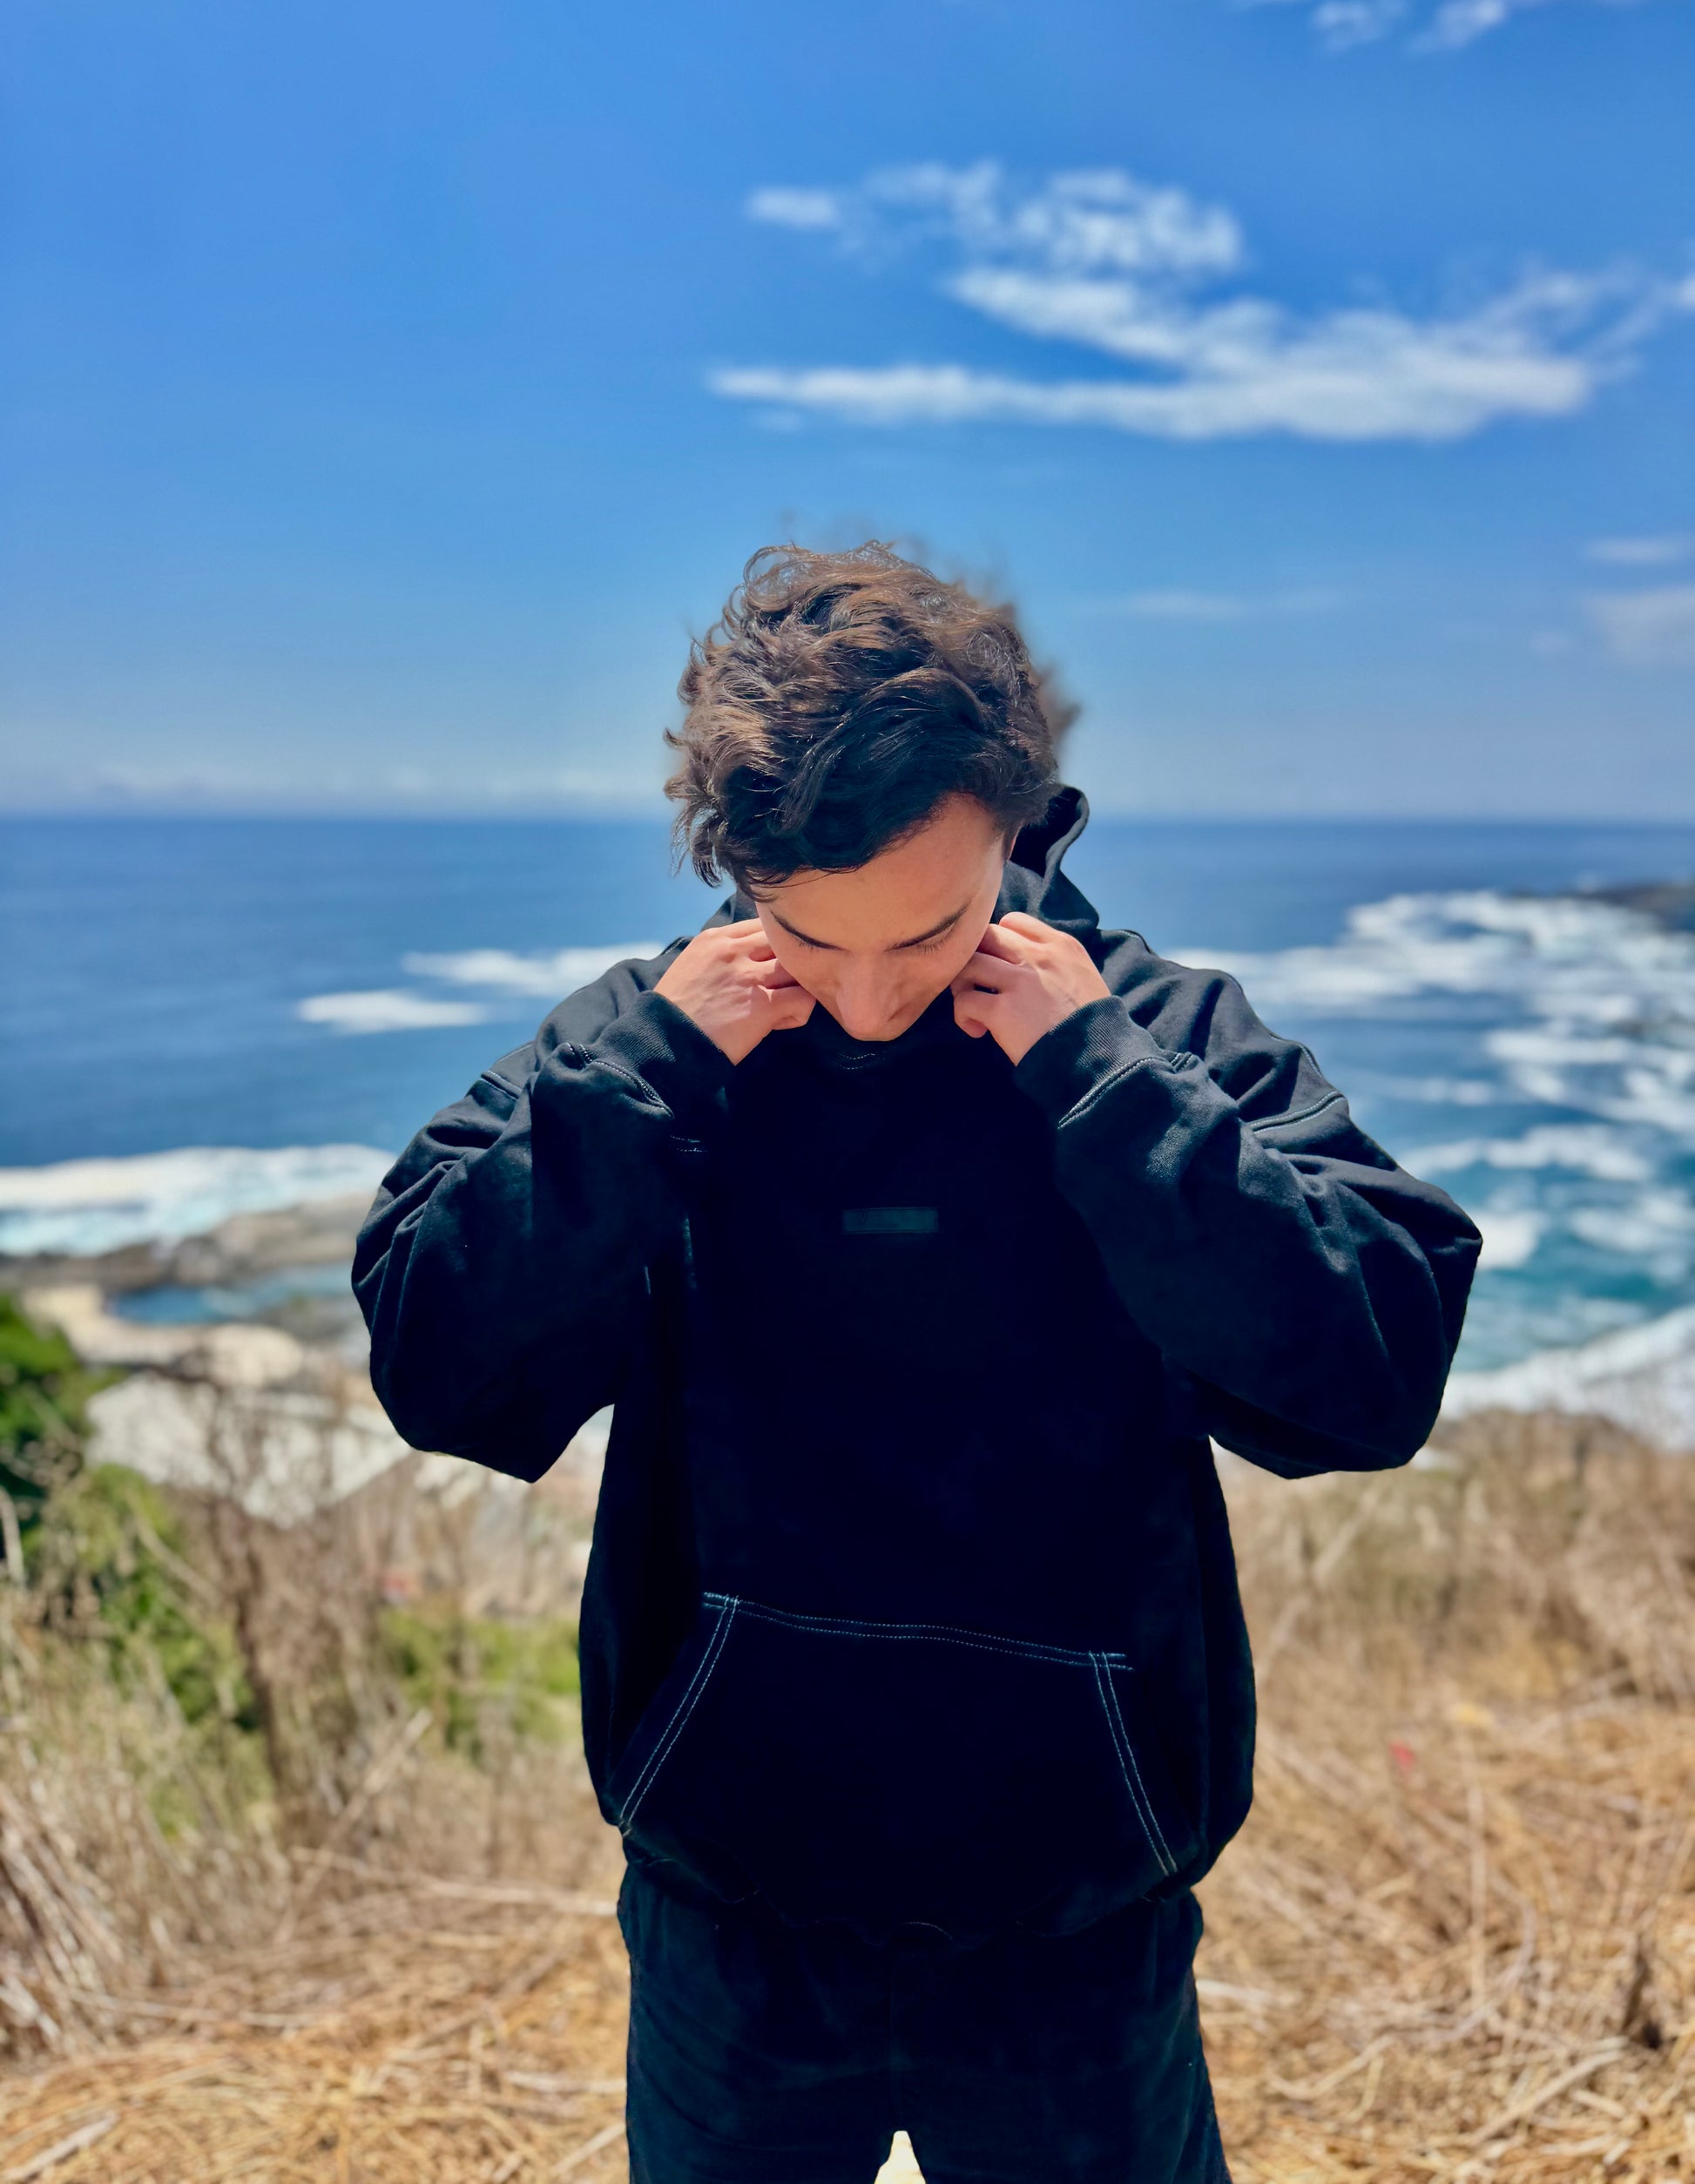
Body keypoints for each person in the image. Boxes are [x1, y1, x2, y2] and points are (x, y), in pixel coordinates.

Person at [355, 543, 1482, 2184]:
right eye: (808, 938)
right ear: (737, 863)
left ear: (1016, 827)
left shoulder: (1148, 1037)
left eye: (933, 932)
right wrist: (647, 1080)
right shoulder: (652, 1045)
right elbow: (434, 1365)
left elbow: (1374, 1372)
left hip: (1071, 1929)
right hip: (732, 1922)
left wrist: (1100, 1083)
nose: (870, 1001)